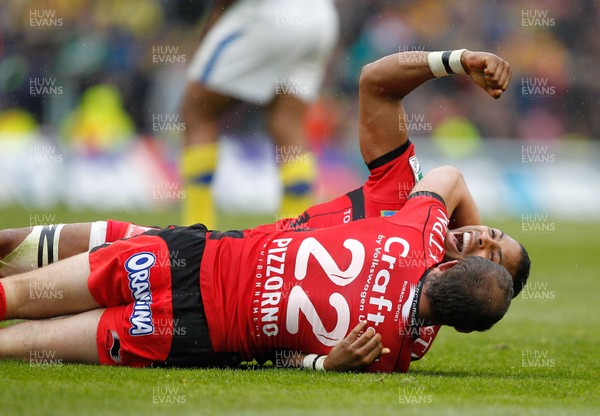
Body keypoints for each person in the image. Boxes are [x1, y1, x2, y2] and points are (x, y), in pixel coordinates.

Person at [0, 48, 530, 368]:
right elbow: (375, 83)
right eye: (492, 233)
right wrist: (455, 60)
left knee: (32, 316)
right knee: (12, 253)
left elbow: (447, 186)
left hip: (208, 289)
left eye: (490, 256)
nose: (482, 240)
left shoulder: (411, 303)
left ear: (469, 275)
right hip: (205, 250)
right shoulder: (403, 201)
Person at [0, 165, 514, 372]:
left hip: (188, 258)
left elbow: (448, 176)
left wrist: (467, 247)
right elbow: (283, 359)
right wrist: (326, 367)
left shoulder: (413, 233)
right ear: (462, 327)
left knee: (19, 294)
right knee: (19, 345)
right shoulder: (389, 354)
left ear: (447, 266)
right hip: (191, 334)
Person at [180, 0, 339, 228]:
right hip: (320, 18)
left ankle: (196, 230)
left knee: (197, 112)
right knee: (288, 123)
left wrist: (213, 23)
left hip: (269, 14)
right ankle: (295, 234)